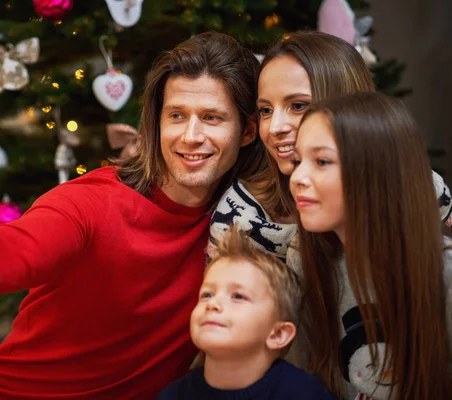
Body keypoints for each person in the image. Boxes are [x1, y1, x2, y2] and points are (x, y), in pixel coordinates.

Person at [0, 32, 263, 400]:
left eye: (211, 118)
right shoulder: (92, 202)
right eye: (176, 115)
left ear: (246, 131)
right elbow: (9, 252)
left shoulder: (245, 218)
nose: (190, 136)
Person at [209, 31, 451, 272]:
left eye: (298, 106)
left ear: (348, 107)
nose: (275, 128)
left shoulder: (421, 189)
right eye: (265, 110)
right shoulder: (239, 219)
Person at [290, 91, 452, 400]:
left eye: (321, 161)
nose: (298, 177)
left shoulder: (445, 278)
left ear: (377, 170)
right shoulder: (307, 263)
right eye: (298, 161)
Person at [157, 226, 334, 400]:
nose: (213, 303)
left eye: (238, 296)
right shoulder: (173, 395)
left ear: (278, 334)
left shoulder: (304, 394)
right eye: (207, 294)